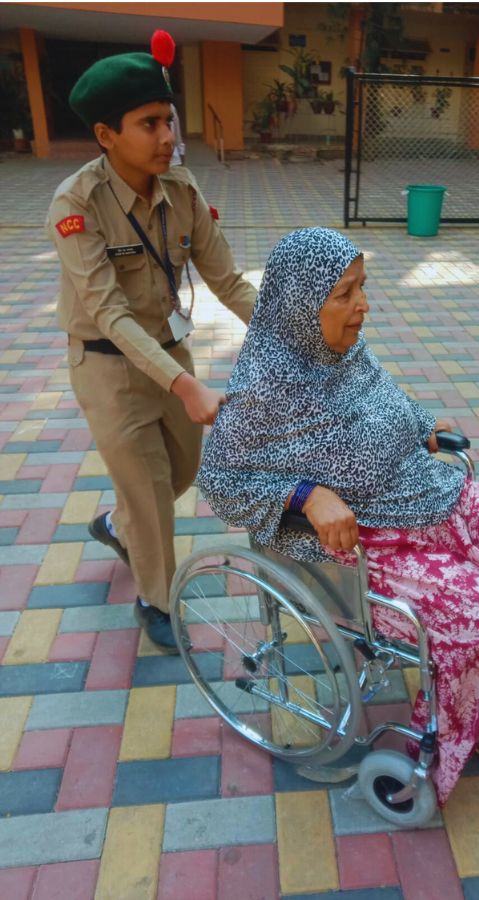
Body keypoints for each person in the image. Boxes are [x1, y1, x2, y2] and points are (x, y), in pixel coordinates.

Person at [196, 227, 479, 803]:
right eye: (345, 294)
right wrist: (304, 495)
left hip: (424, 493)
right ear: (302, 303)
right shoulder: (261, 389)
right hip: (367, 535)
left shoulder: (346, 348)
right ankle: (453, 720)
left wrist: (423, 427)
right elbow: (219, 482)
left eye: (362, 288)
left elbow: (385, 398)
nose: (362, 306)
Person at [48, 29, 257, 652]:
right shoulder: (76, 205)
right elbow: (109, 313)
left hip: (169, 352)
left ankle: (119, 523)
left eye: (168, 120)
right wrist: (187, 384)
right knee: (150, 491)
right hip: (107, 368)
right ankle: (155, 599)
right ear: (106, 135)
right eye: (149, 124)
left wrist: (298, 327)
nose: (168, 137)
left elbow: (228, 280)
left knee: (181, 471)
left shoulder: (183, 190)